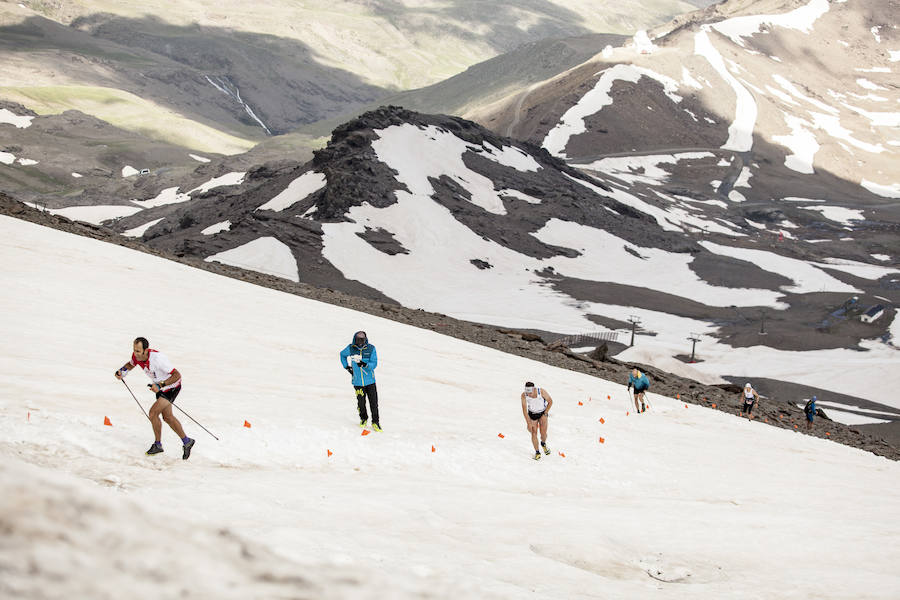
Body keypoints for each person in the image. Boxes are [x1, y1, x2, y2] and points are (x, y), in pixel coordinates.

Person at [114, 337, 195, 459]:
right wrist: (122, 371)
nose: (136, 354)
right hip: (160, 388)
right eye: (134, 350)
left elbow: (177, 375)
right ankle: (187, 441)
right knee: (168, 417)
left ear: (146, 350)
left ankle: (158, 444)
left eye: (138, 351)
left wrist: (160, 385)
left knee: (153, 413)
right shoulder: (136, 356)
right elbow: (131, 364)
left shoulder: (158, 359)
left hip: (171, 387)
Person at [339, 331, 381, 431]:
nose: (360, 341)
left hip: (370, 381)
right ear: (355, 338)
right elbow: (342, 355)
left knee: (373, 403)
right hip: (357, 382)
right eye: (358, 338)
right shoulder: (351, 348)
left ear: (365, 339)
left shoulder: (371, 348)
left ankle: (375, 422)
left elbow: (374, 363)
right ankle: (363, 418)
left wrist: (365, 364)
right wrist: (347, 367)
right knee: (361, 403)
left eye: (362, 339)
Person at [521, 382, 553, 460]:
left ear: (534, 389)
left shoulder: (541, 391)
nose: (529, 394)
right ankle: (537, 452)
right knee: (533, 433)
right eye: (527, 392)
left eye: (530, 393)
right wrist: (528, 423)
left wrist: (545, 413)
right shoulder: (524, 395)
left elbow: (550, 401)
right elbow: (524, 410)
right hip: (532, 415)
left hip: (542, 413)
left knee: (543, 434)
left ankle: (543, 443)